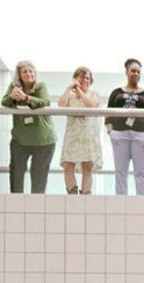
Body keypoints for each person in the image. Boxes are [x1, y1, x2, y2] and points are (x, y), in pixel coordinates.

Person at [105, 58, 144, 196]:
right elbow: (108, 115)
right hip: (120, 135)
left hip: (141, 136)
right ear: (127, 72)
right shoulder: (116, 93)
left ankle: (143, 202)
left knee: (142, 172)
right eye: (133, 71)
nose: (136, 74)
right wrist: (111, 132)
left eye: (138, 72)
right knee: (120, 172)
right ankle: (121, 202)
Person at [1, 60, 56, 194]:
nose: (28, 74)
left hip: (44, 140)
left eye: (31, 71)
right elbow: (4, 102)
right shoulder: (14, 86)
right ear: (19, 74)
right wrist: (13, 98)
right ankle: (15, 205)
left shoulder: (40, 86)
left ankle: (36, 208)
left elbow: (45, 101)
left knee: (38, 178)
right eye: (25, 71)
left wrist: (26, 98)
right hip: (20, 139)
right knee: (16, 174)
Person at [57, 67, 102, 195]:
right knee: (67, 165)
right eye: (81, 77)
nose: (84, 80)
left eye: (87, 78)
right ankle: (72, 195)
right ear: (75, 79)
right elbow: (61, 104)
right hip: (72, 135)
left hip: (88, 135)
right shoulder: (70, 97)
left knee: (87, 166)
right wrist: (69, 88)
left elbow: (91, 105)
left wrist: (79, 90)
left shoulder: (94, 94)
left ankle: (85, 196)